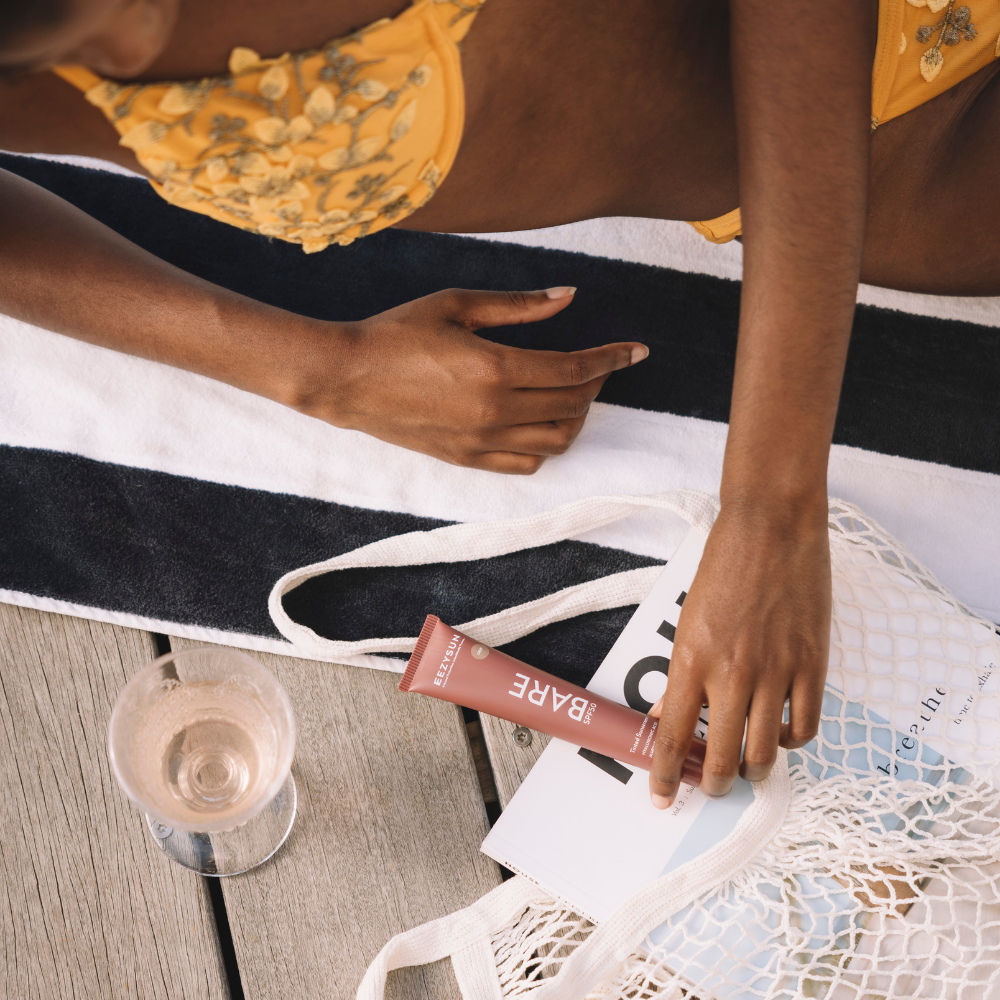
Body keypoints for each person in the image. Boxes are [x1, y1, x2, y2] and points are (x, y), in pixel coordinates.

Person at [0, 0, 997, 812]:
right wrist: (316, 369)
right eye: (66, 38)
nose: (137, 38)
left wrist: (771, 501)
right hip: (906, 169)